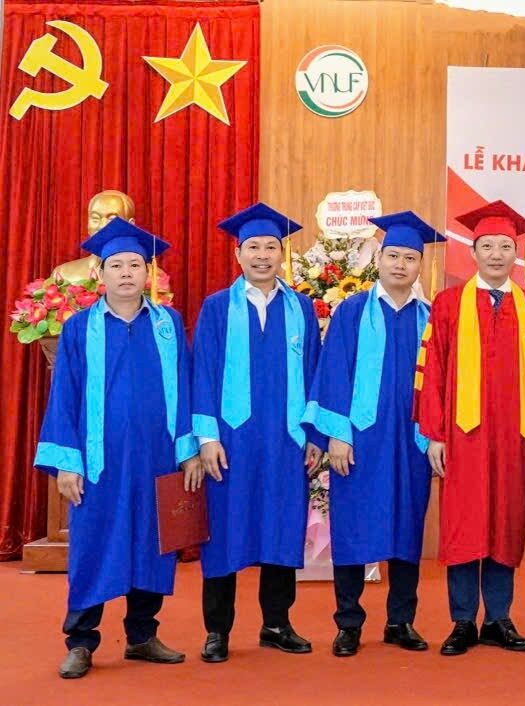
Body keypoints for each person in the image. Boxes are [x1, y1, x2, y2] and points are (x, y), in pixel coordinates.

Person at [35, 218, 199, 679]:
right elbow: (64, 397)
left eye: (134, 265)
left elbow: (186, 388)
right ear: (101, 274)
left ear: (148, 273)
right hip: (99, 462)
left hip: (156, 457)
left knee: (152, 543)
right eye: (116, 265)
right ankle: (81, 641)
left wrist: (188, 449)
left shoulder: (168, 325)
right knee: (93, 544)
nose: (126, 272)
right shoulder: (78, 329)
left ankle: (142, 636)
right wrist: (67, 463)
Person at [304, 211, 443, 657]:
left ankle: (401, 621)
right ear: (379, 259)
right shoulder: (352, 311)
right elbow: (333, 372)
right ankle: (348, 623)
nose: (401, 264)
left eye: (410, 258)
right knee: (353, 528)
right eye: (393, 256)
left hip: (411, 440)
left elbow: (441, 382)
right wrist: (337, 435)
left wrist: (435, 434)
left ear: (420, 265)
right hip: (360, 441)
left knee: (407, 528)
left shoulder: (431, 317)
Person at [189, 203, 323, 663]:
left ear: (282, 254)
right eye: (253, 247)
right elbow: (202, 372)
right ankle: (217, 630)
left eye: (271, 247)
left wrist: (314, 435)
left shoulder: (301, 308)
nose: (262, 255)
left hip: (286, 439)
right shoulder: (216, 307)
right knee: (224, 533)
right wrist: (206, 437)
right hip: (231, 441)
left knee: (281, 529)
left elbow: (315, 372)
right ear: (238, 254)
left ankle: (276, 623)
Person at [417, 200, 525, 655]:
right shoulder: (448, 304)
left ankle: (498, 618)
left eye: (505, 246)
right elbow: (432, 372)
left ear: (517, 254)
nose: (496, 254)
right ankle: (462, 621)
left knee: (505, 522)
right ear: (472, 252)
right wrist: (434, 434)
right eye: (487, 246)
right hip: (463, 435)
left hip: (515, 436)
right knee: (464, 524)